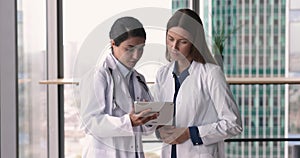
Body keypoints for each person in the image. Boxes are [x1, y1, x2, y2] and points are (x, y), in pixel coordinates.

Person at [153, 8, 243, 158]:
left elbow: (233, 124)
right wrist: (159, 131)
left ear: (194, 42)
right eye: (170, 39)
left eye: (183, 42)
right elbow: (160, 120)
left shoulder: (211, 74)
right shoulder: (162, 74)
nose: (174, 47)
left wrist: (191, 133)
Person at [79, 16, 158, 158]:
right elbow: (89, 123)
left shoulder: (139, 79)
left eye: (141, 49)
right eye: (129, 48)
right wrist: (128, 122)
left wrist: (150, 118)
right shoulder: (98, 75)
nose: (136, 55)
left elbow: (146, 130)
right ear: (113, 43)